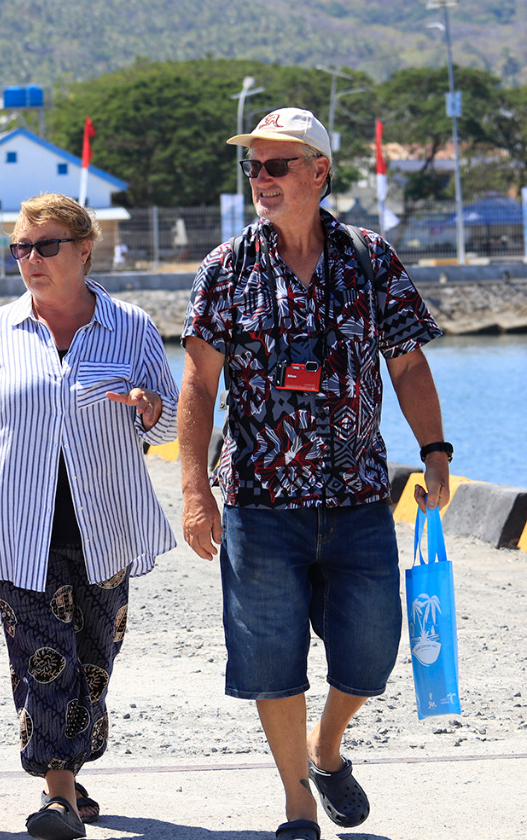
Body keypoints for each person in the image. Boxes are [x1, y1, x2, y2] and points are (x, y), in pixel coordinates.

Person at [179, 108, 450, 840]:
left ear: (319, 172)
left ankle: (328, 750)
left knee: (369, 652)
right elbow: (199, 384)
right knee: (272, 663)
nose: (260, 180)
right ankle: (299, 803)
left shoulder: (369, 258)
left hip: (360, 494)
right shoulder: (226, 268)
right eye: (253, 167)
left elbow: (409, 362)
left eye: (276, 166)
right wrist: (194, 488)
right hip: (260, 504)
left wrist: (436, 452)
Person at [0, 193, 179, 840]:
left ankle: (68, 766)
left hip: (108, 528)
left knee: (94, 663)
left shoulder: (131, 327)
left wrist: (152, 409)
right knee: (44, 659)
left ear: (84, 249)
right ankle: (58, 793)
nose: (30, 259)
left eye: (45, 246)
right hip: (18, 529)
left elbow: (177, 420)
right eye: (21, 247)